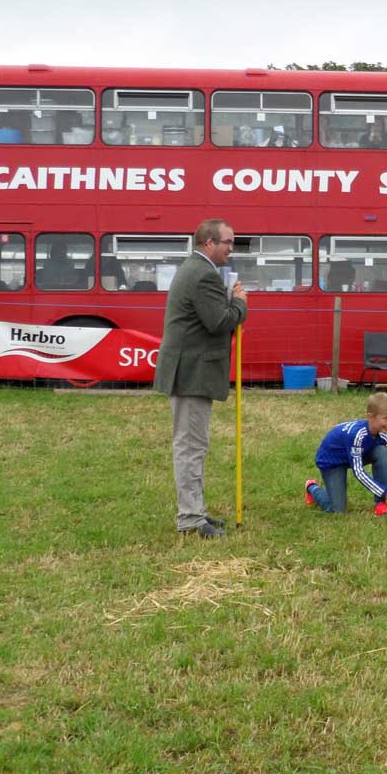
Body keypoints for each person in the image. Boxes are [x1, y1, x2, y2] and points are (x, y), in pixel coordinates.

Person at [153, 219, 249, 538]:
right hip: (191, 372)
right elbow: (219, 322)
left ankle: (196, 512)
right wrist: (239, 303)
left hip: (187, 370)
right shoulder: (203, 274)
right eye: (228, 242)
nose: (231, 248)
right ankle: (191, 519)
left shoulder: (194, 269)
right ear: (209, 242)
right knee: (191, 446)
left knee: (193, 444)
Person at [304, 392, 387, 516]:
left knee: (381, 451)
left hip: (354, 455)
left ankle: (380, 504)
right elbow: (358, 472)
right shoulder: (357, 435)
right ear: (370, 416)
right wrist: (385, 491)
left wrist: (384, 493)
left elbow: (381, 463)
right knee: (337, 511)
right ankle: (312, 487)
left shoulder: (382, 435)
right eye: (386, 418)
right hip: (332, 462)